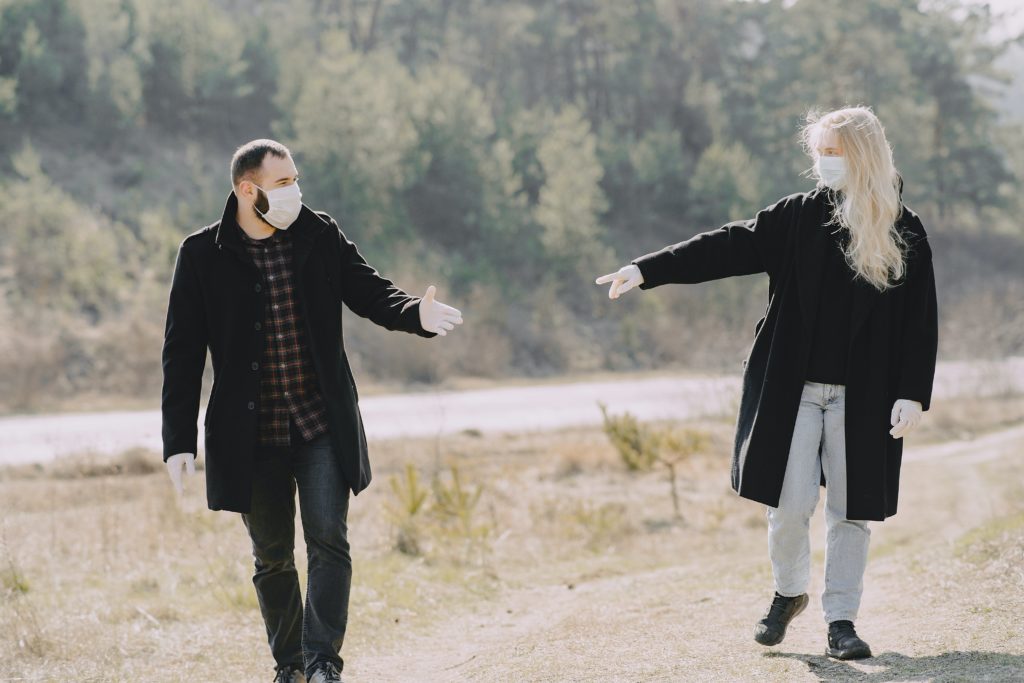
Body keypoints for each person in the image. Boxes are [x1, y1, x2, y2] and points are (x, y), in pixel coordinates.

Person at [596, 107, 938, 660]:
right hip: (792, 389)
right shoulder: (797, 217)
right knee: (787, 504)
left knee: (852, 512)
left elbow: (920, 321)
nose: (824, 163)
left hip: (866, 398)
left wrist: (912, 392)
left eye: (835, 153)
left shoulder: (903, 226)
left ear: (864, 155)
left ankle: (842, 623)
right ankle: (788, 592)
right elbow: (727, 245)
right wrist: (647, 268)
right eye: (819, 152)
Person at [160, 139, 464, 683]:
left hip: (319, 423)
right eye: (282, 184)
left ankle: (324, 662)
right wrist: (178, 441)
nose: (294, 193)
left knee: (328, 538)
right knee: (272, 557)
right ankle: (290, 666)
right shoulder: (201, 255)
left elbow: (371, 292)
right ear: (246, 190)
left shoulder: (319, 235)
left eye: (296, 180)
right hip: (250, 437)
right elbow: (182, 355)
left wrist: (415, 312)